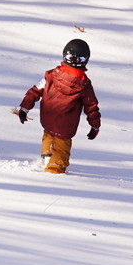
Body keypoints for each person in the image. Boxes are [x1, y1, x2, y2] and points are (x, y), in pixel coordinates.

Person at [14, 39, 101, 174]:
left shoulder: (51, 75)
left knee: (48, 135)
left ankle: (47, 156)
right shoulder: (84, 85)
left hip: (48, 119)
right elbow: (91, 106)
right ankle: (54, 172)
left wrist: (24, 108)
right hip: (66, 126)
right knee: (61, 148)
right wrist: (95, 125)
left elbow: (35, 90)